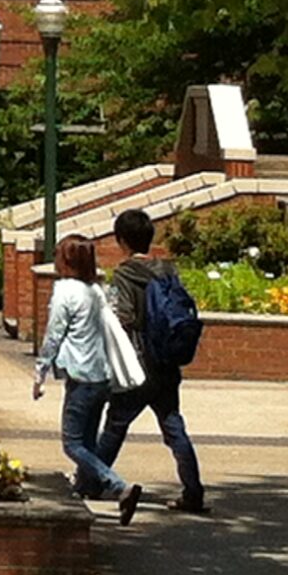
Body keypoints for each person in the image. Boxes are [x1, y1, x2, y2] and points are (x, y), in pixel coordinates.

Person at [98, 207, 208, 514]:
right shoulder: (168, 270)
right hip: (166, 364)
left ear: (122, 240)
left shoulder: (124, 274)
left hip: (138, 365)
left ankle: (91, 482)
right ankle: (193, 492)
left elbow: (125, 319)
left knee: (115, 424)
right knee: (174, 428)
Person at [34, 232, 141, 523]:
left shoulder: (65, 291)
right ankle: (83, 488)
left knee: (72, 443)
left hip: (80, 375)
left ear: (66, 261)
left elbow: (54, 334)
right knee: (89, 441)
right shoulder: (97, 290)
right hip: (102, 377)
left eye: (57, 255)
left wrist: (41, 371)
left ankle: (119, 486)